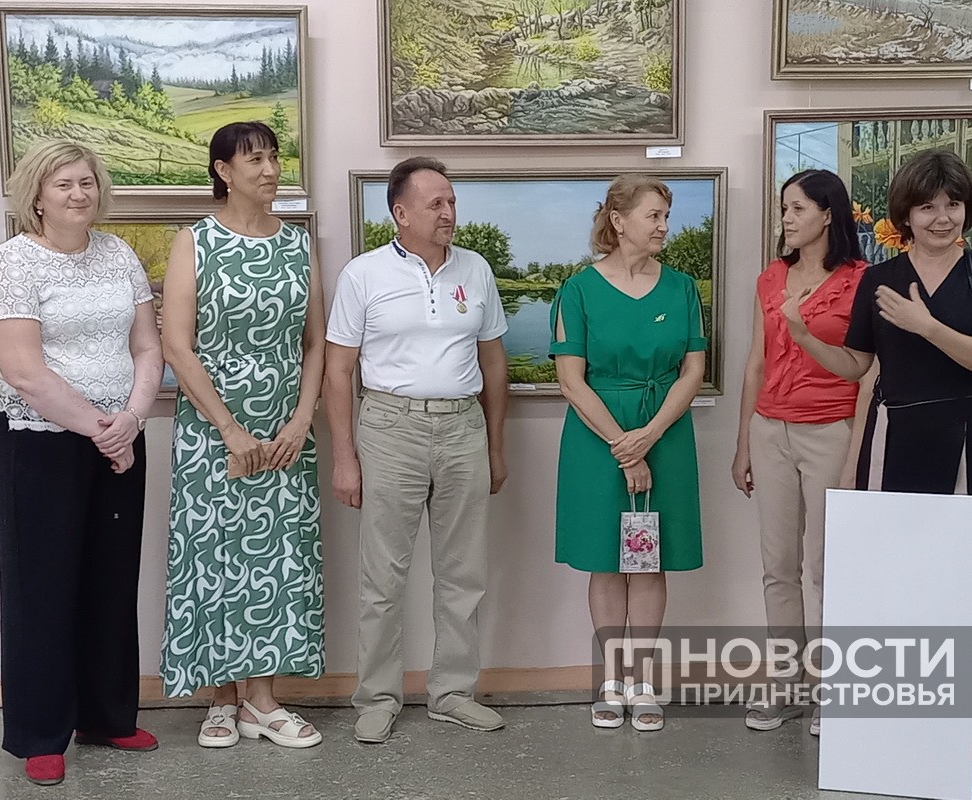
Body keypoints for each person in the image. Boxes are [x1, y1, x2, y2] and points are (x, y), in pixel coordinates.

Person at [0, 140, 163, 785]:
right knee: (42, 584)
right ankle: (40, 732)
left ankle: (107, 717)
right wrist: (101, 429)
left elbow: (147, 347)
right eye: (64, 184)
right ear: (36, 195)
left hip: (119, 434)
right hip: (39, 440)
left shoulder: (119, 255)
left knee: (111, 578)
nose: (79, 194)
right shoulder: (12, 263)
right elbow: (23, 371)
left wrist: (131, 419)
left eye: (87, 182)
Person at [324, 156, 510, 744]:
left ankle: (453, 693)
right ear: (400, 213)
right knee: (383, 576)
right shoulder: (363, 274)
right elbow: (338, 372)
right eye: (436, 204)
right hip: (389, 428)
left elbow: (494, 363)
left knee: (463, 572)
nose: (449, 212)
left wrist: (495, 446)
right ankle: (377, 697)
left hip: (463, 429)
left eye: (452, 201)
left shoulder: (476, 269)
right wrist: (345, 458)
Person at [159, 122, 326, 748]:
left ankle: (262, 699)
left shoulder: (298, 244)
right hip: (212, 434)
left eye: (275, 157)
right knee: (216, 557)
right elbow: (177, 346)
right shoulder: (194, 242)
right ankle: (221, 699)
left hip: (286, 432)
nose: (270, 170)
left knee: (279, 559)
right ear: (223, 171)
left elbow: (315, 342)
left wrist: (302, 419)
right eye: (254, 159)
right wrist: (228, 429)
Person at [551, 174, 707, 731]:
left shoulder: (682, 288)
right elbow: (571, 380)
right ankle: (611, 680)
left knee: (650, 560)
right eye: (653, 216)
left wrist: (650, 435)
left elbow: (693, 371)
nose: (664, 226)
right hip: (598, 440)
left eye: (666, 216)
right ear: (618, 221)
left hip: (665, 434)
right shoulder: (578, 290)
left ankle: (642, 682)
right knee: (607, 560)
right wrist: (625, 446)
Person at [784, 150, 972, 495]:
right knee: (892, 530)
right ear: (906, 215)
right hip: (894, 434)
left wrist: (927, 327)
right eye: (927, 207)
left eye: (953, 205)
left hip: (971, 435)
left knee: (964, 531)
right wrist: (804, 336)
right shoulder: (879, 278)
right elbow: (855, 365)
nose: (943, 218)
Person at [730, 169, 868, 737]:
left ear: (828, 214)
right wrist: (744, 442)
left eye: (797, 208)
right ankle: (786, 686)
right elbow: (756, 363)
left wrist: (857, 450)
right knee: (778, 566)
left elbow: (866, 370)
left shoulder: (860, 280)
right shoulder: (770, 278)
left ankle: (833, 692)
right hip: (770, 431)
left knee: (827, 566)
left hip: (830, 430)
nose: (786, 218)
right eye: (784, 208)